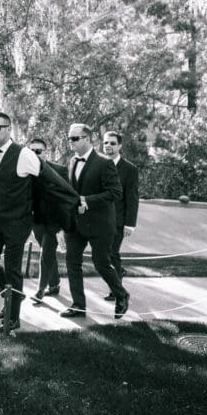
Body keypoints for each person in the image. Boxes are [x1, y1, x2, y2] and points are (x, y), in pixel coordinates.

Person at [0, 112, 79, 332]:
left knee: (13, 269)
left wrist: (73, 199)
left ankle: (13, 318)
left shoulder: (24, 154)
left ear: (8, 129)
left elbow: (51, 180)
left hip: (18, 222)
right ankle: (12, 296)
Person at [60, 124, 129, 319]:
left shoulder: (104, 162)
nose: (71, 142)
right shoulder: (71, 161)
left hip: (100, 224)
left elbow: (115, 192)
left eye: (75, 138)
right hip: (75, 224)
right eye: (69, 138)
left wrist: (86, 201)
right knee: (72, 263)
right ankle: (78, 305)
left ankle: (121, 295)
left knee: (101, 264)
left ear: (88, 139)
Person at [28, 138, 69, 304]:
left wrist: (61, 227)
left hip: (54, 222)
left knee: (45, 253)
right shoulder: (26, 172)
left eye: (38, 151)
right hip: (36, 222)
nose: (35, 154)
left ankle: (40, 290)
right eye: (32, 151)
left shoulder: (60, 170)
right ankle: (54, 285)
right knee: (49, 254)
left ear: (45, 152)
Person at [101, 130, 139, 301]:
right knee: (103, 255)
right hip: (99, 219)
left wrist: (130, 224)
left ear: (120, 146)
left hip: (118, 220)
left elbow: (132, 198)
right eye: (106, 143)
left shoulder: (129, 169)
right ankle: (119, 272)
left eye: (112, 143)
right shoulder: (98, 164)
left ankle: (116, 289)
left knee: (111, 253)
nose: (108, 146)